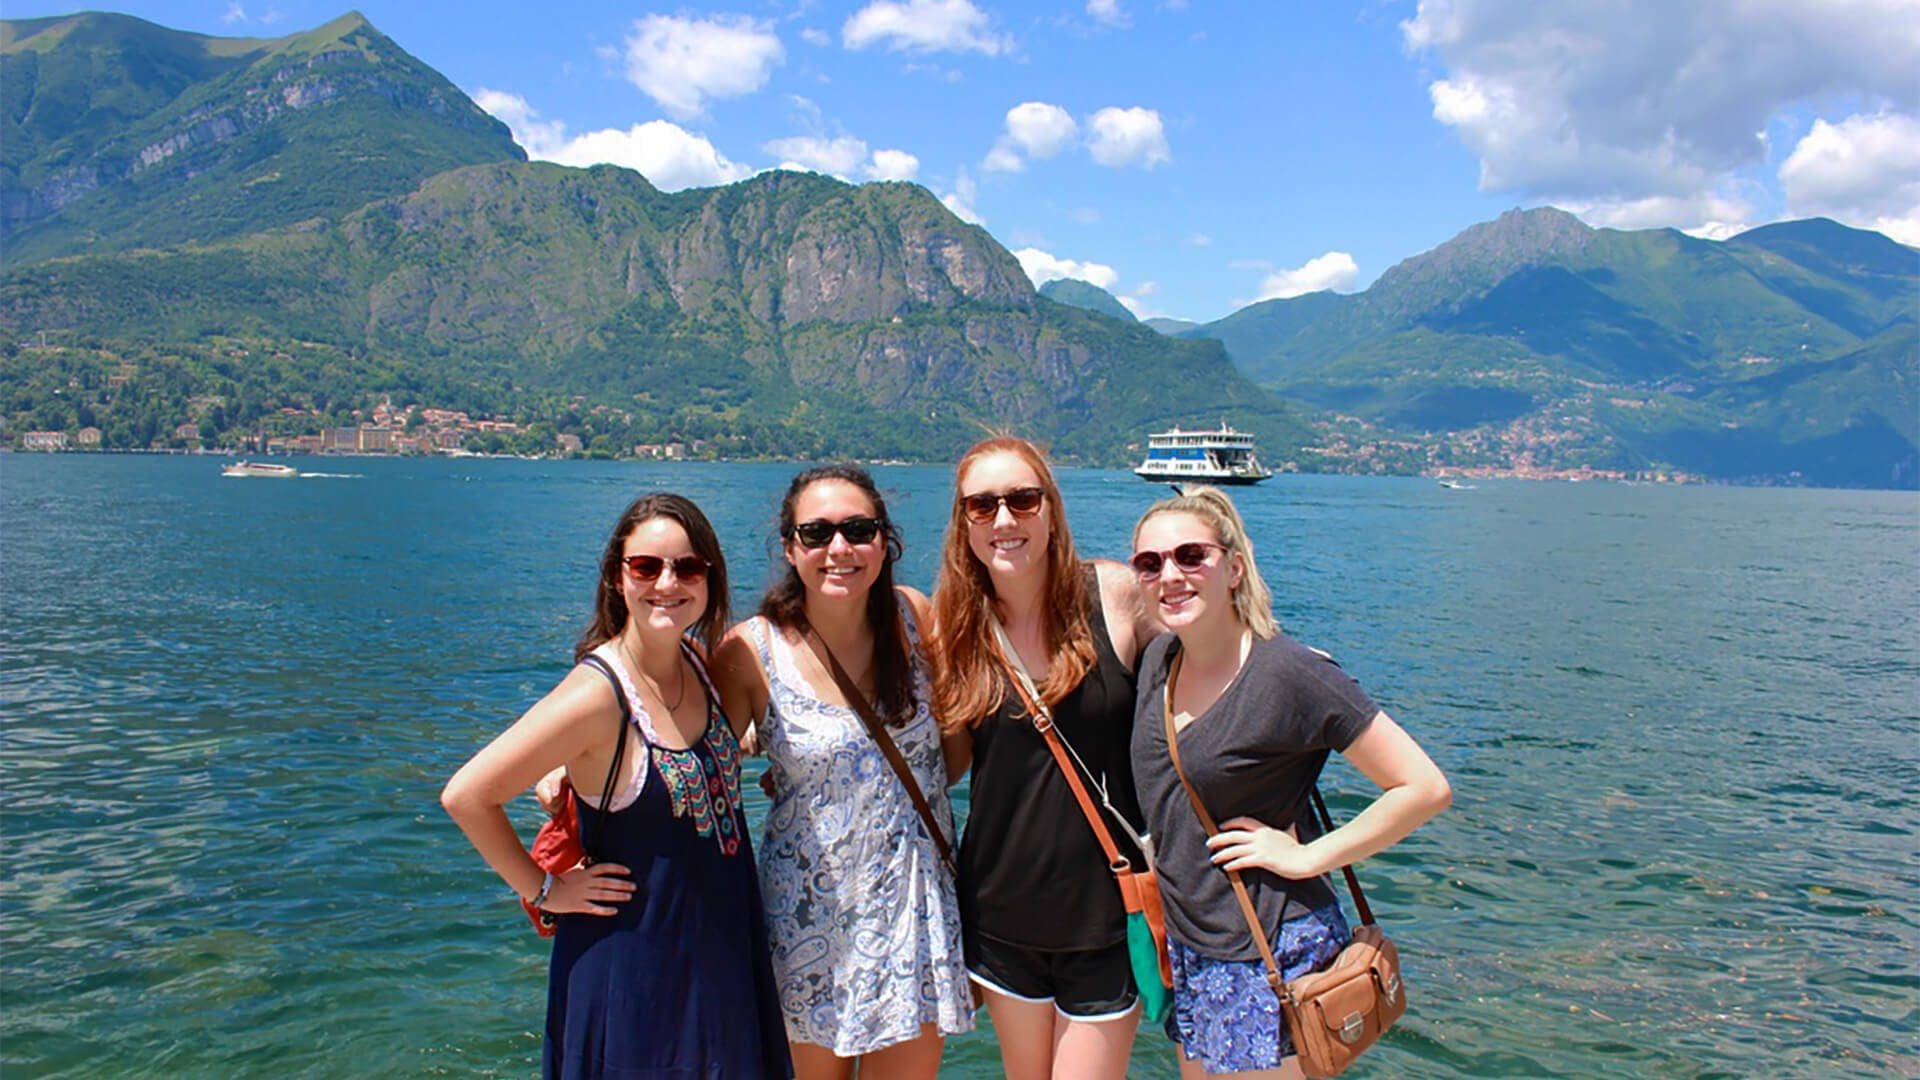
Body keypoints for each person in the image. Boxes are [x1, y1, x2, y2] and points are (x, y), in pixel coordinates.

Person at [441, 493, 792, 1080]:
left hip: (720, 949)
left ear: (709, 578)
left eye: (687, 567)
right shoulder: (598, 695)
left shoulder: (696, 663)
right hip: (636, 969)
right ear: (616, 577)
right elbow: (468, 795)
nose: (667, 583)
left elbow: (710, 753)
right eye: (646, 567)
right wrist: (546, 891)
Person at [1127, 485, 1451, 1079]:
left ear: (1234, 569)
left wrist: (1307, 856)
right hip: (1194, 944)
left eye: (1191, 556)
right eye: (1150, 563)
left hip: (1271, 946)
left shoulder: (1290, 673)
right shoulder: (1158, 662)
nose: (1169, 575)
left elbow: (1423, 787)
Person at [712, 466, 973, 1079]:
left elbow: (954, 755)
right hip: (807, 917)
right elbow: (691, 761)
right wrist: (579, 766)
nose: (839, 548)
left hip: (914, 914)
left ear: (884, 541)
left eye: (858, 530)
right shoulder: (751, 650)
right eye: (817, 533)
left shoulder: (916, 619)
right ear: (789, 547)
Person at [929, 435, 1162, 1080]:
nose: (1004, 519)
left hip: (1108, 915)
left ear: (1051, 510)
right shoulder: (955, 628)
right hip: (1001, 915)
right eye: (982, 505)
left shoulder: (1115, 595)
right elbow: (947, 763)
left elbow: (1205, 679)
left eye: (1023, 500)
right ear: (965, 525)